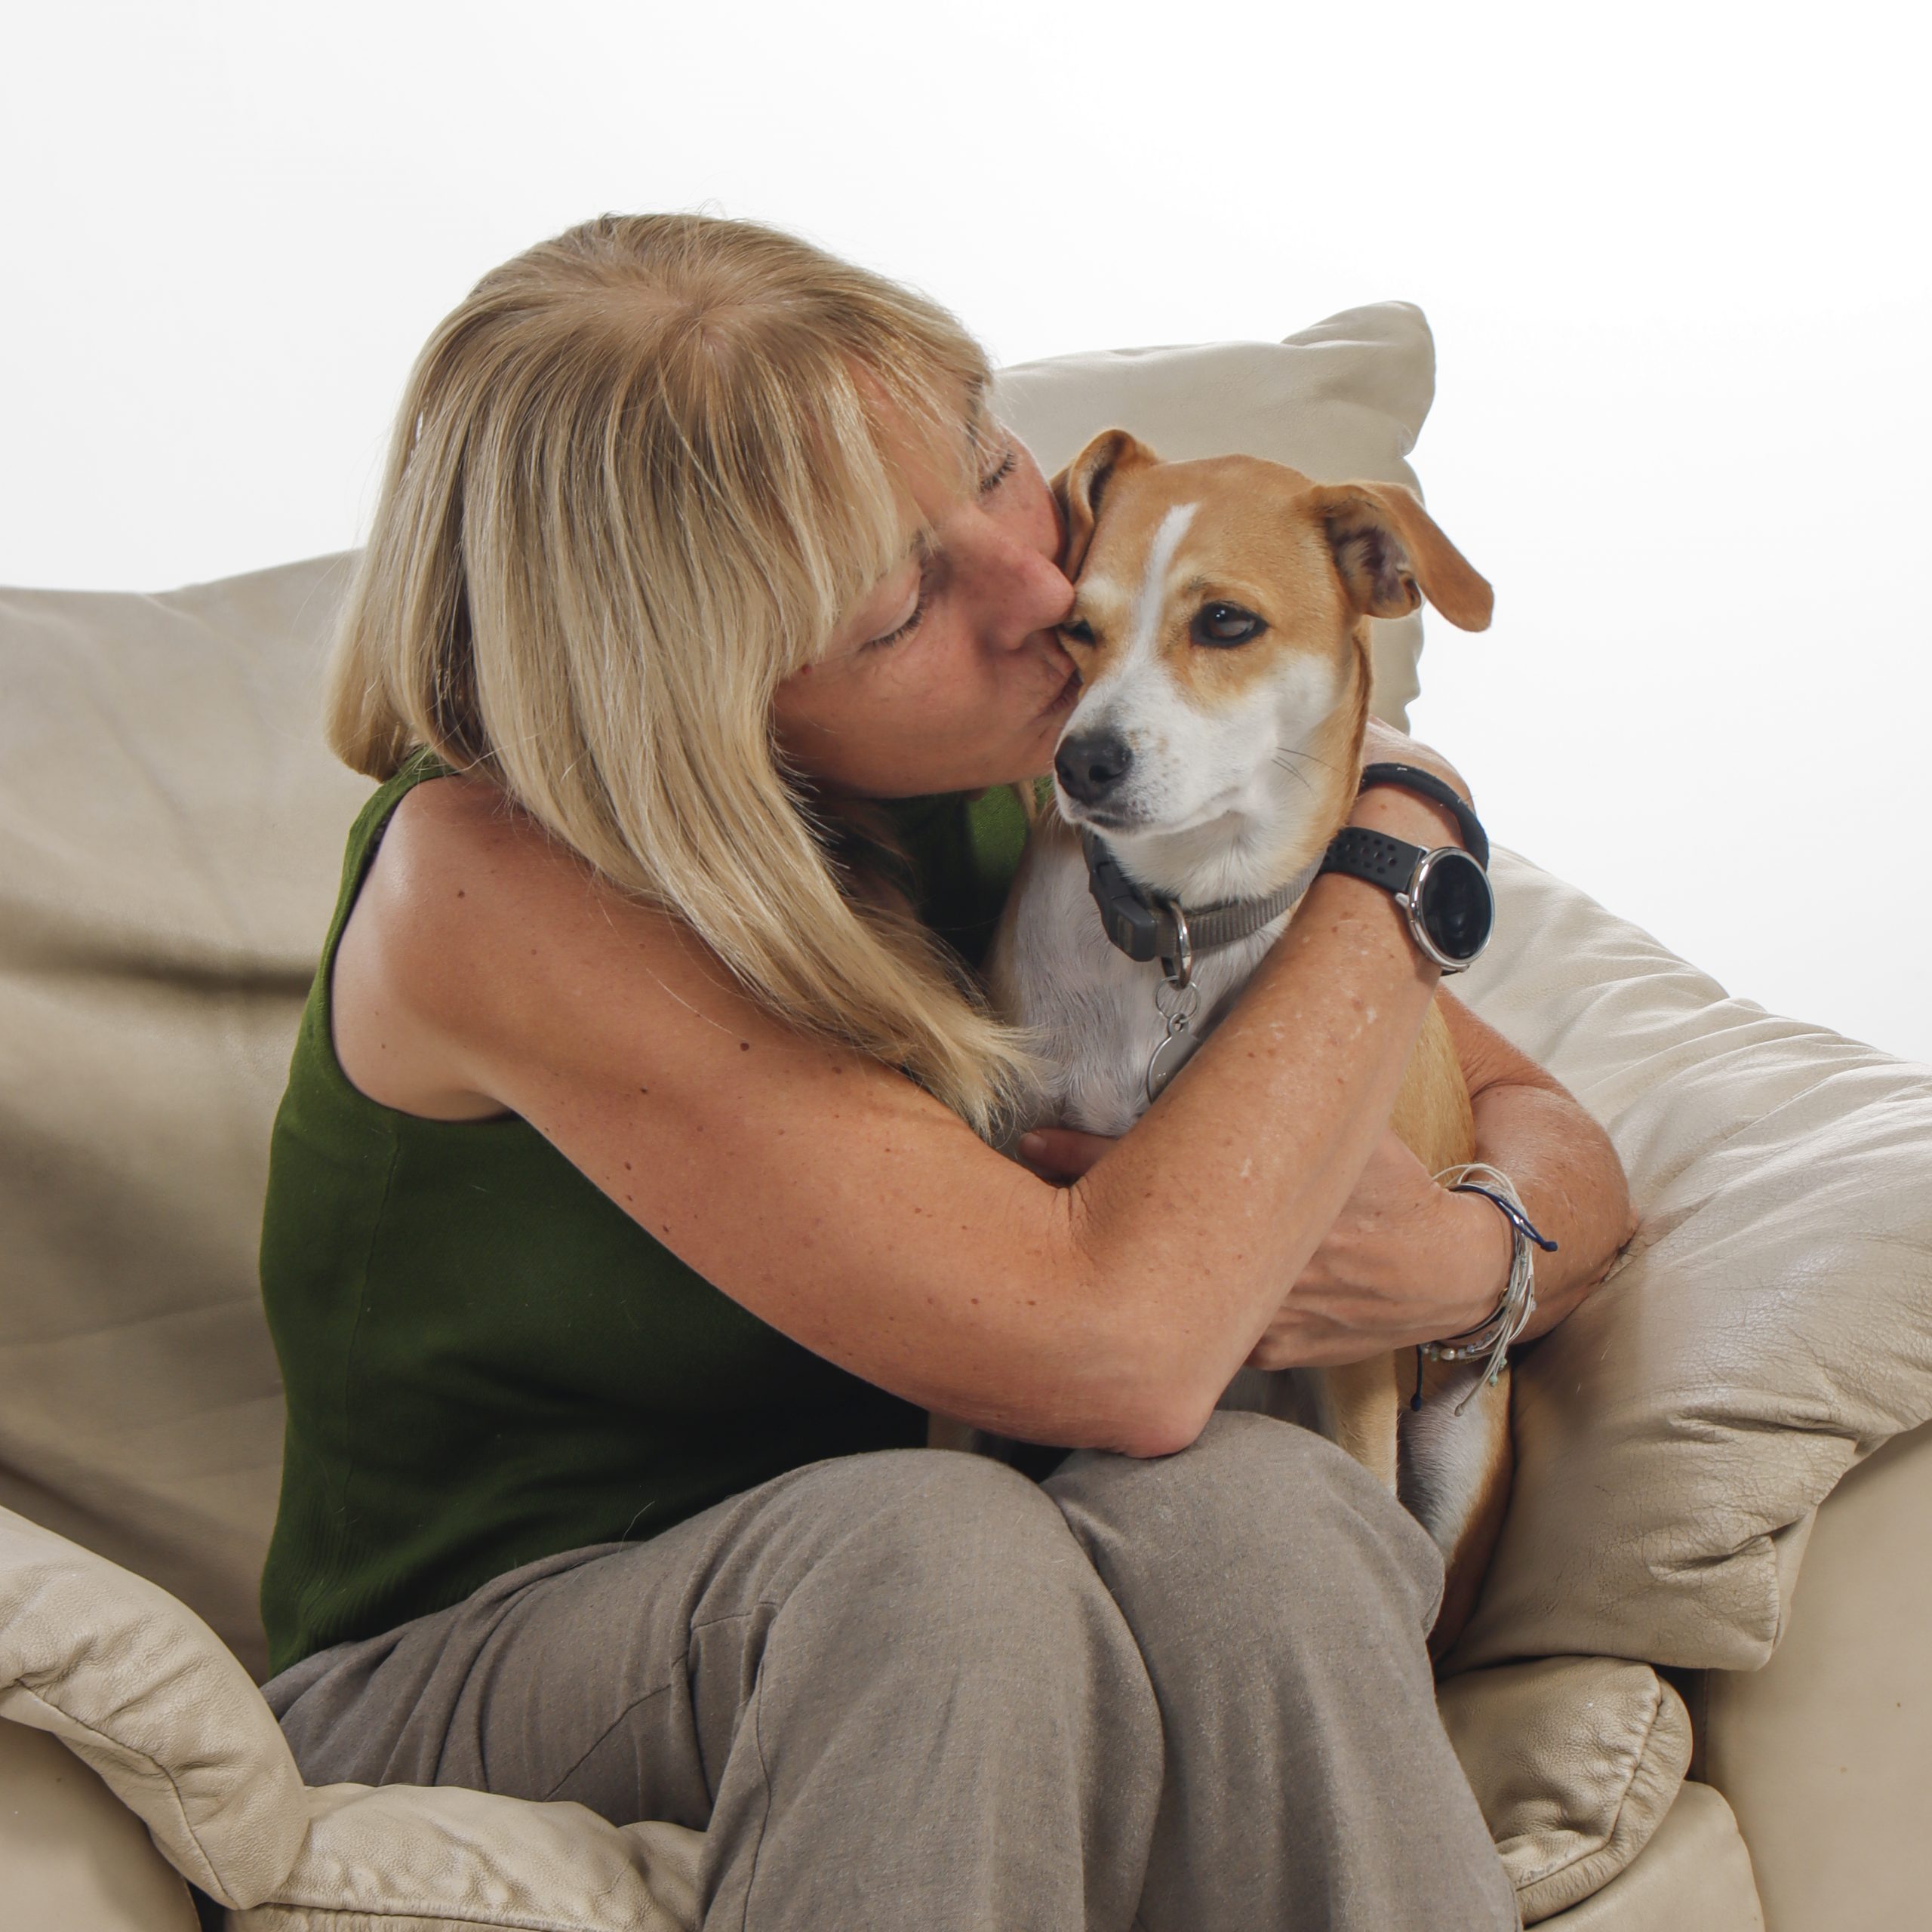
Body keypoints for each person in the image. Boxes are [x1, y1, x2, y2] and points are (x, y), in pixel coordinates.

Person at [257, 211, 1634, 1930]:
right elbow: (1121, 1350)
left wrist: (1457, 1260)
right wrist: (1403, 826)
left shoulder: (1031, 788)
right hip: (489, 1647)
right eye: (907, 595)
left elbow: (1549, 1136)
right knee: (941, 1551)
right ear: (686, 685)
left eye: (993, 463)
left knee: (1264, 1507)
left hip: (929, 1589)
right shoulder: (495, 881)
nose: (1043, 593)